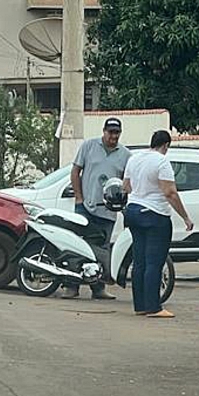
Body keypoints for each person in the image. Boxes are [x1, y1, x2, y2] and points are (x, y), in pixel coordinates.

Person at [122, 130, 193, 318]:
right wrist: (185, 217)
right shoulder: (162, 162)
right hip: (155, 215)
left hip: (134, 211)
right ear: (166, 145)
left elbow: (126, 186)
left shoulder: (134, 159)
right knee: (154, 262)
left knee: (139, 262)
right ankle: (154, 306)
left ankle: (140, 305)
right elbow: (170, 192)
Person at [68, 117, 131, 300]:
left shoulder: (125, 155)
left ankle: (98, 288)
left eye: (117, 132)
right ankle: (72, 286)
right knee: (78, 246)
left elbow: (127, 183)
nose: (113, 136)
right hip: (85, 207)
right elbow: (75, 171)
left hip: (107, 212)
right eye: (110, 132)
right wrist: (79, 198)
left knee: (101, 250)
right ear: (104, 131)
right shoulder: (88, 146)